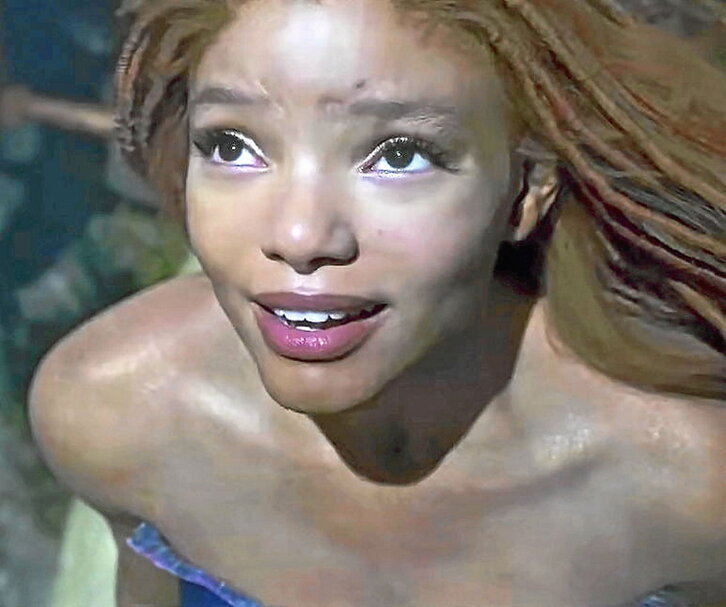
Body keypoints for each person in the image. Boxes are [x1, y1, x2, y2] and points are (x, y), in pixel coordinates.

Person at [28, 0, 726, 605]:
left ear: (526, 188)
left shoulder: (687, 487)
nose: (299, 236)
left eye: (398, 155)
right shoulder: (114, 411)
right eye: (231, 146)